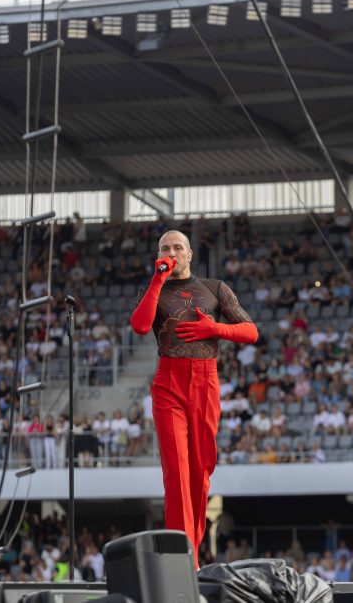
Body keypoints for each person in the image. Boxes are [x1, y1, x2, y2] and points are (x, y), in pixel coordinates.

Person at [130, 229, 258, 566]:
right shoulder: (152, 289)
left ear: (189, 254)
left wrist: (214, 329)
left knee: (201, 471)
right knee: (176, 470)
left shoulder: (215, 288)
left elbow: (250, 331)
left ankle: (192, 549)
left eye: (177, 247)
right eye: (164, 248)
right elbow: (141, 326)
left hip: (205, 380)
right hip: (168, 382)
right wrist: (158, 281)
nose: (170, 252)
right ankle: (182, 557)